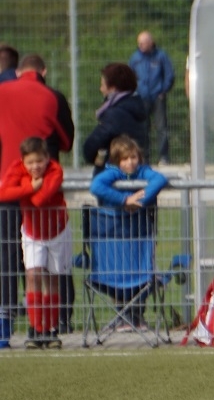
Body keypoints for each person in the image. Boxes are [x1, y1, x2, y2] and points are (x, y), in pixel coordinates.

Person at [0, 54, 73, 348]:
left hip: (11, 183)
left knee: (9, 258)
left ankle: (7, 322)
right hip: (46, 205)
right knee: (51, 272)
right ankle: (56, 323)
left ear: (18, 72)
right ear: (43, 71)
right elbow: (66, 141)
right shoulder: (52, 96)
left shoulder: (3, 92)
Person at [89, 135, 169, 331]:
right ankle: (123, 315)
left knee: (142, 273)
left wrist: (138, 201)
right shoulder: (112, 172)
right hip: (115, 239)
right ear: (116, 161)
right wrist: (125, 200)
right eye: (124, 159)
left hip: (139, 238)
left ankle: (136, 315)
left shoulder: (142, 171)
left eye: (133, 157)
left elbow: (160, 179)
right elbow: (96, 186)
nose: (130, 162)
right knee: (118, 274)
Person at [0, 137, 71, 349]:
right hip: (32, 232)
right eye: (30, 162)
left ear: (47, 158)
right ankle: (36, 328)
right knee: (33, 275)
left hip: (57, 230)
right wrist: (30, 186)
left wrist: (23, 188)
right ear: (23, 161)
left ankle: (51, 328)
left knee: (52, 278)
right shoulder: (17, 169)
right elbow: (3, 192)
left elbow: (40, 199)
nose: (35, 166)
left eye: (39, 161)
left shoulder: (55, 170)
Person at [83, 63, 150, 176]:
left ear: (113, 88)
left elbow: (92, 145)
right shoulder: (134, 107)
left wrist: (95, 158)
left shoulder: (115, 114)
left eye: (103, 85)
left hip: (115, 172)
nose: (101, 89)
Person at [129, 31, 174, 165]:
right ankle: (144, 157)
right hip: (141, 97)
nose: (141, 45)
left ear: (150, 42)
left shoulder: (161, 56)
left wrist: (163, 90)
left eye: (143, 43)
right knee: (143, 128)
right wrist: (134, 92)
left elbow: (169, 74)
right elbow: (129, 75)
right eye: (139, 43)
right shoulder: (135, 58)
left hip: (158, 96)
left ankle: (164, 157)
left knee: (161, 127)